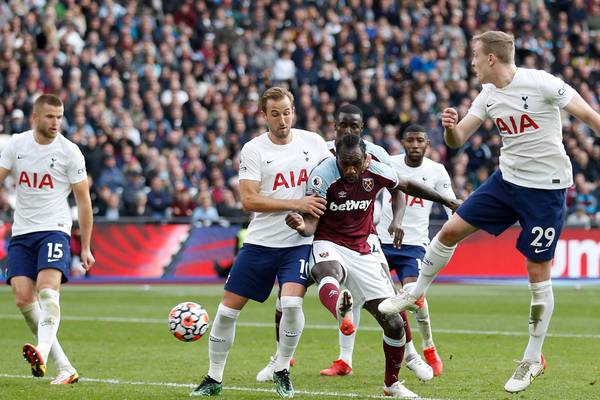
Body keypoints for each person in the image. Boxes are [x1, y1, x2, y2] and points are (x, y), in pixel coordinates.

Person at [378, 31, 600, 394]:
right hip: (506, 181)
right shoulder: (488, 94)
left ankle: (533, 358)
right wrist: (449, 128)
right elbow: (458, 138)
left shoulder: (542, 83)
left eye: (475, 57)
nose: (472, 63)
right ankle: (415, 291)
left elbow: (589, 115)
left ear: (492, 59)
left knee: (536, 273)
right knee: (449, 231)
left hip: (545, 190)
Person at [287, 135, 458, 398]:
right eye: (345, 164)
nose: (351, 170)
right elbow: (311, 224)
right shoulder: (322, 175)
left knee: (394, 323)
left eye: (356, 163)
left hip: (364, 249)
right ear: (337, 160)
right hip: (329, 241)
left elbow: (408, 186)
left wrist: (446, 200)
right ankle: (340, 311)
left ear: (366, 159)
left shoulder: (377, 169)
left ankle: (392, 384)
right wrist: (301, 227)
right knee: (328, 272)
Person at [190, 87, 331, 398]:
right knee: (227, 311)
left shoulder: (314, 143)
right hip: (260, 243)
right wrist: (297, 204)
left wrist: (311, 219)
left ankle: (282, 368)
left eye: (287, 112)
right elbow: (249, 199)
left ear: (294, 111)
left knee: (292, 303)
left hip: (298, 243)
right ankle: (214, 378)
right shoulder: (254, 149)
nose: (283, 120)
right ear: (264, 116)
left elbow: (329, 183)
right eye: (275, 114)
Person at [0, 94, 95, 384]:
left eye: (59, 116)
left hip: (54, 229)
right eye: (50, 116)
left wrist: (87, 246)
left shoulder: (70, 152)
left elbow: (84, 202)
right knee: (22, 298)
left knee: (47, 290)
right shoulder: (16, 145)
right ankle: (65, 367)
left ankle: (41, 350)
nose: (56, 122)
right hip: (22, 232)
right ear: (35, 118)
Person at [375, 125, 456, 377]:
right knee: (370, 297)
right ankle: (344, 358)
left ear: (427, 144)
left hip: (414, 245)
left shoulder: (436, 170)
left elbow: (450, 205)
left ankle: (428, 346)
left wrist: (456, 234)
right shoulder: (389, 163)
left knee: (414, 296)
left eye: (420, 140)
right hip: (382, 241)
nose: (415, 145)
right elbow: (371, 193)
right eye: (410, 140)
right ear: (402, 142)